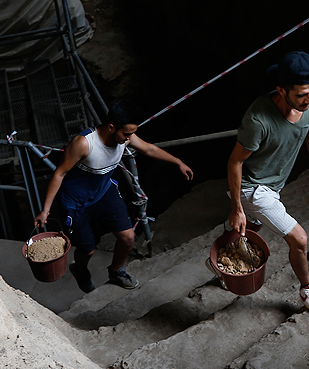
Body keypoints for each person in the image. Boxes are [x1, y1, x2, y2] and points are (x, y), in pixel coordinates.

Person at [35, 99, 194, 292]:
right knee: (87, 249)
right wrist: (46, 210)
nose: (130, 138)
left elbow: (149, 148)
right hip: (75, 203)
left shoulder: (126, 136)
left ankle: (117, 271)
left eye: (132, 133)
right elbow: (59, 173)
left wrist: (178, 162)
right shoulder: (84, 143)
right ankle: (80, 269)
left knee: (128, 237)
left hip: (104, 193)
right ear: (111, 127)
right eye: (127, 133)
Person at [226, 51, 309, 310]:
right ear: (281, 90)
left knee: (252, 228)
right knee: (299, 239)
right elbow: (235, 162)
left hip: (275, 183)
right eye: (301, 94)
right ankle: (308, 290)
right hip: (254, 189)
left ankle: (224, 254)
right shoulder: (258, 120)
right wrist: (237, 207)